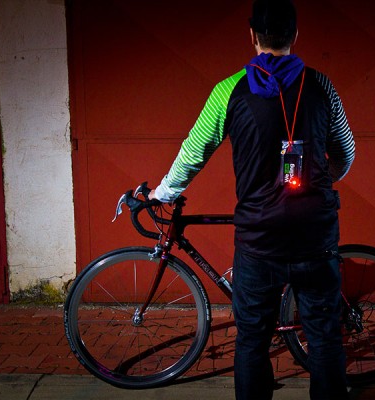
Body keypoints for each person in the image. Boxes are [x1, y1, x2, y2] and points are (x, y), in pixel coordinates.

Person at [149, 0, 355, 398]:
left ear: (252, 36)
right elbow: (345, 152)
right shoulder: (321, 86)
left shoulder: (228, 91)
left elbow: (194, 152)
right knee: (325, 337)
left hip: (258, 240)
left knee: (252, 340)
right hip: (315, 237)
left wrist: (164, 192)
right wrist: (320, 180)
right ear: (295, 35)